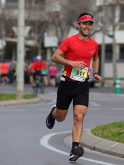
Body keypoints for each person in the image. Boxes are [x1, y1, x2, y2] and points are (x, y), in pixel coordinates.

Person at [46, 12, 102, 162]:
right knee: (60, 117)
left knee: (79, 116)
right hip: (67, 83)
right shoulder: (69, 41)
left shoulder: (94, 44)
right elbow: (55, 56)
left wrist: (95, 72)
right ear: (78, 24)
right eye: (84, 23)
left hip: (82, 85)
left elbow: (95, 57)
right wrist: (71, 63)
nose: (87, 26)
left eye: (90, 24)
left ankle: (75, 148)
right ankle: (53, 113)